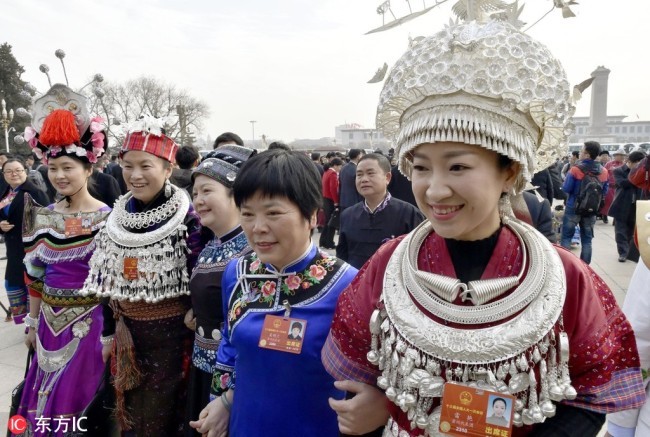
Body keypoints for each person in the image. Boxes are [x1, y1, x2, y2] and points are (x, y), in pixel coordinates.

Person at [321, 10, 645, 437]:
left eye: (457, 167)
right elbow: (358, 376)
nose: (434, 190)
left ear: (509, 173)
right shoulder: (388, 265)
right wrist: (376, 404)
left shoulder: (564, 276)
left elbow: (589, 398)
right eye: (420, 168)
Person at [189, 149, 358, 437]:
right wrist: (222, 402)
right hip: (245, 424)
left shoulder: (348, 285)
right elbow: (229, 346)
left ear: (313, 216)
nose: (258, 228)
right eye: (248, 214)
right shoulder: (237, 273)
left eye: (273, 213)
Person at [80, 120, 203, 436]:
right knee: (128, 413)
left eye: (145, 166)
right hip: (126, 336)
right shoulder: (116, 218)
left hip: (172, 340)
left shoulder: (188, 219)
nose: (135, 175)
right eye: (127, 166)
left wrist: (195, 308)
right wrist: (108, 332)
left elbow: (198, 275)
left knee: (162, 417)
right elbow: (107, 282)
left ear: (167, 168)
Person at [16, 84, 112, 435]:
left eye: (68, 167)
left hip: (90, 326)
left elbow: (113, 285)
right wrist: (31, 321)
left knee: (79, 402)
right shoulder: (41, 216)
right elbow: (35, 277)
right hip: (47, 329)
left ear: (89, 169)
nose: (59, 175)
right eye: (53, 167)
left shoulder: (108, 219)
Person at [184, 145, 255, 434]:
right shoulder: (210, 246)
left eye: (207, 191)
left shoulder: (251, 252)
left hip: (231, 381)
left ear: (234, 193)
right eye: (195, 193)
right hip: (202, 369)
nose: (198, 200)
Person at [337, 153, 424, 269]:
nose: (364, 179)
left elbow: (419, 257)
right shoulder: (347, 215)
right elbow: (342, 256)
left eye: (370, 173)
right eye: (359, 175)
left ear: (387, 177)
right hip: (356, 283)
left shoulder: (409, 213)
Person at [0, 158, 49, 323]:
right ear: (4, 174)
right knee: (13, 284)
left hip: (32, 249)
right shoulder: (5, 192)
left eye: (18, 170)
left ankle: (36, 321)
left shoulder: (35, 192)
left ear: (25, 171)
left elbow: (48, 220)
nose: (14, 174)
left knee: (32, 286)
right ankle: (26, 320)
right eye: (9, 171)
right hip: (13, 249)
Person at [560, 141, 609, 264]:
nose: (580, 153)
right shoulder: (604, 171)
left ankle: (565, 266)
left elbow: (566, 188)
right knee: (587, 240)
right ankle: (585, 268)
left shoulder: (575, 169)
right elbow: (605, 191)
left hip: (573, 207)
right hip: (591, 209)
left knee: (566, 237)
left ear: (587, 155)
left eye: (582, 151)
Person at [609, 151, 646, 262]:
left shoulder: (642, 173)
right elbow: (623, 184)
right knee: (620, 231)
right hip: (621, 204)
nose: (640, 167)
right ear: (630, 162)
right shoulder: (618, 171)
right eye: (638, 164)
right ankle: (623, 253)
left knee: (631, 231)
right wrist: (637, 177)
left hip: (636, 205)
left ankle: (629, 252)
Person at [319, 157, 343, 249]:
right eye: (340, 166)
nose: (340, 168)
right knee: (332, 222)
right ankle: (329, 242)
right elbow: (333, 188)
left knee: (327, 221)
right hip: (330, 199)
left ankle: (323, 241)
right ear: (335, 165)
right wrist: (336, 201)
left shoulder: (326, 172)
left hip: (325, 198)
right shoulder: (332, 173)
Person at [602, 147, 628, 222]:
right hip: (610, 187)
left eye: (623, 155)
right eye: (620, 155)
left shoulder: (625, 165)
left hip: (619, 187)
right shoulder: (609, 164)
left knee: (618, 203)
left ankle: (615, 219)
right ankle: (605, 215)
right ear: (616, 156)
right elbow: (604, 173)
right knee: (608, 202)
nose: (622, 157)